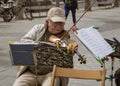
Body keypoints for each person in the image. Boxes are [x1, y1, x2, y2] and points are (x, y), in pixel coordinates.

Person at [13, 7, 77, 86]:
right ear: (47, 22)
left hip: (51, 74)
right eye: (55, 22)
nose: (58, 26)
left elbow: (67, 57)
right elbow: (24, 41)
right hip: (31, 72)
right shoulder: (38, 29)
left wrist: (70, 51)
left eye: (61, 23)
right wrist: (40, 45)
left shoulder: (65, 36)